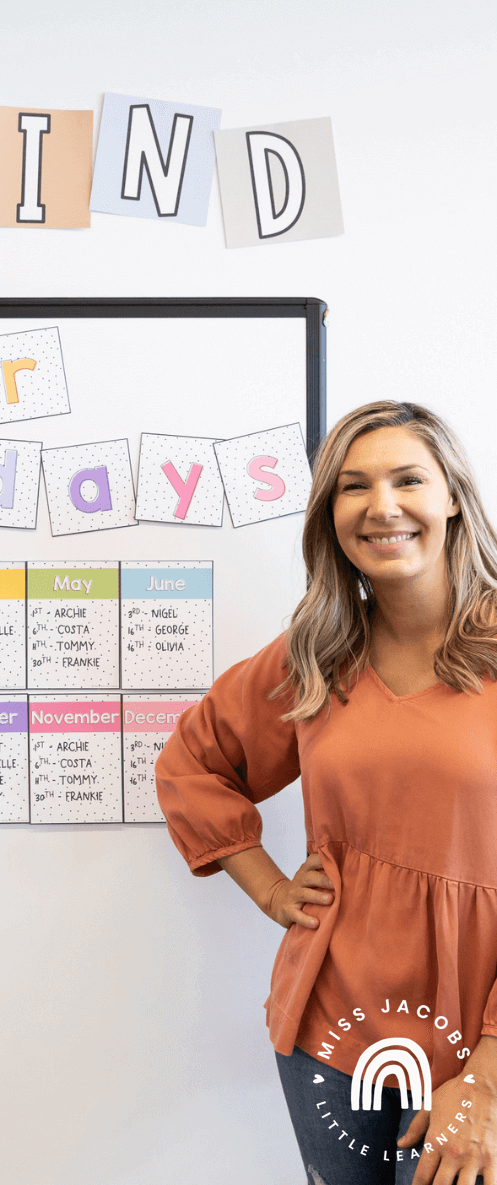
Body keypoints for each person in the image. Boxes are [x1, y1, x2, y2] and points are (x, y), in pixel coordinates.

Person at [156, 401, 497, 1185]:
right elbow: (192, 761)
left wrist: (488, 1074)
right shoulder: (320, 654)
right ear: (330, 516)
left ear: (452, 496)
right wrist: (272, 890)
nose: (383, 506)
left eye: (408, 479)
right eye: (354, 487)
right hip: (334, 1033)